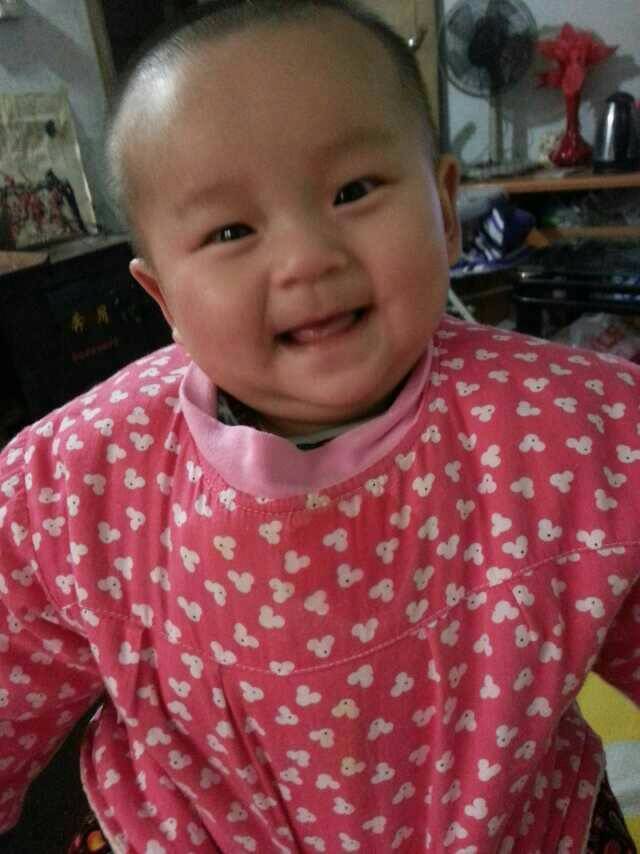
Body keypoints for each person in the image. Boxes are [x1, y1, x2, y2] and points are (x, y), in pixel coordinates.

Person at [1, 1, 639, 852]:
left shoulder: (585, 432)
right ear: (164, 299)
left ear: (446, 209)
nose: (306, 257)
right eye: (231, 230)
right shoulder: (70, 483)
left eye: (354, 191)